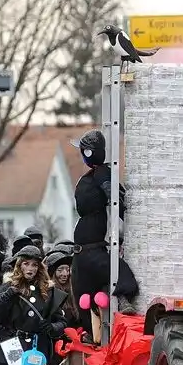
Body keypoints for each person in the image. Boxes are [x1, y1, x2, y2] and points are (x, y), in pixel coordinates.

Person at [69, 128, 139, 320]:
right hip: (83, 252)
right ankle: (90, 331)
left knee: (117, 270)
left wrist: (114, 197)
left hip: (92, 249)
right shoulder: (89, 177)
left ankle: (123, 299)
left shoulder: (101, 174)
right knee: (83, 297)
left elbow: (117, 198)